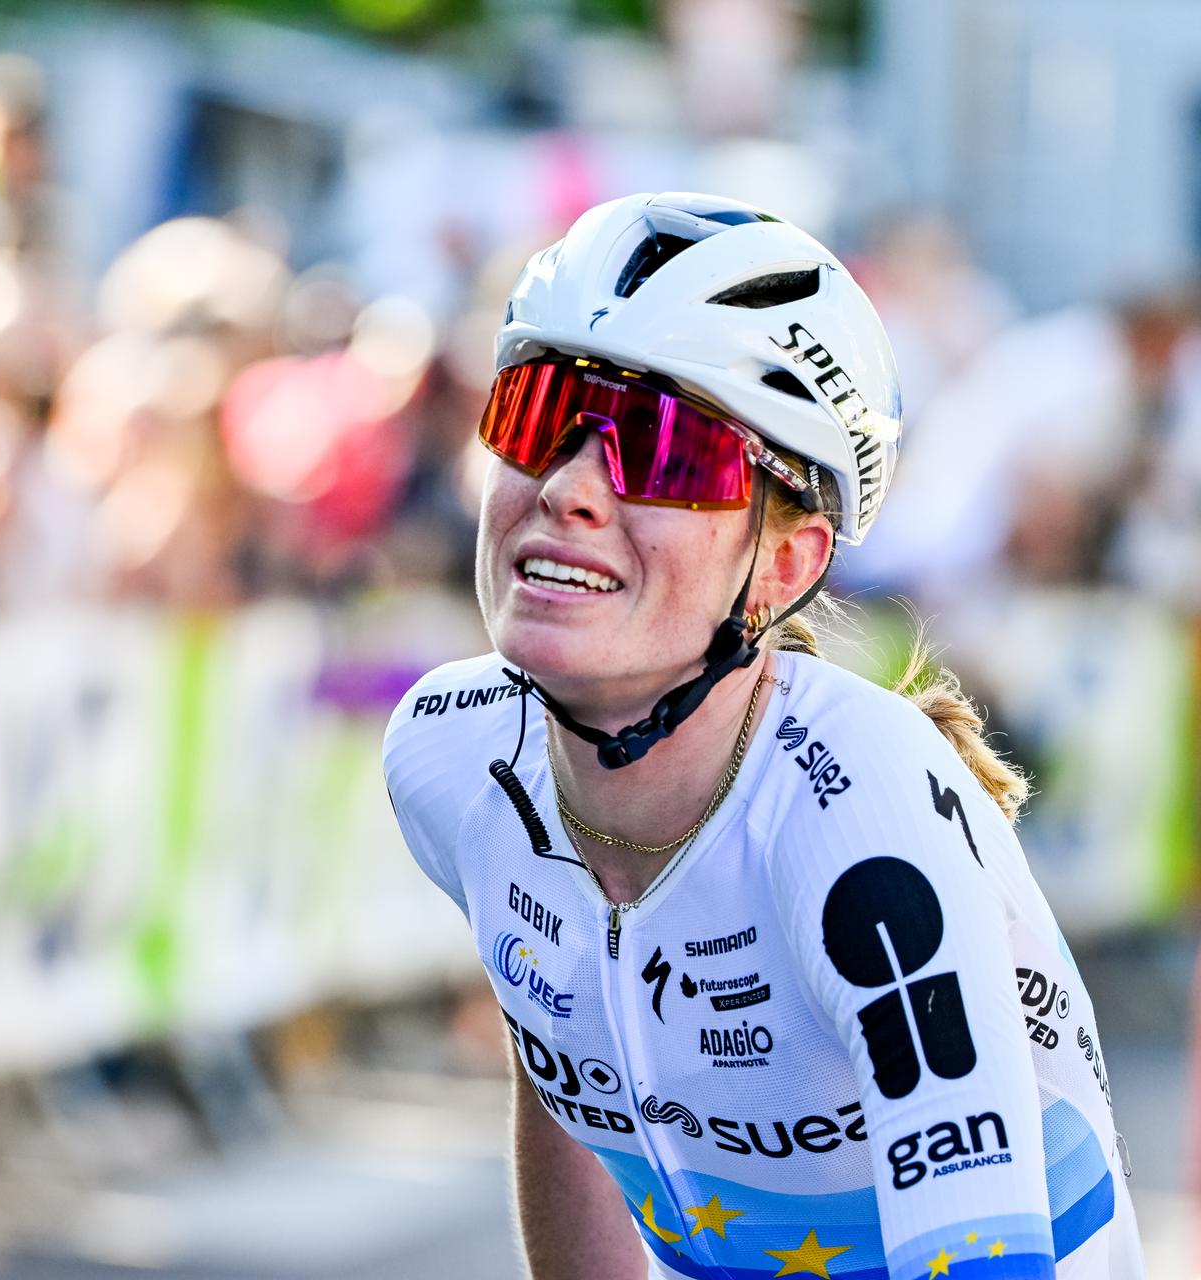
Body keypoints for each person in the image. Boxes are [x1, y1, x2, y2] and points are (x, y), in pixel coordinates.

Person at [383, 193, 1143, 1279]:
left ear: (785, 565)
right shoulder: (451, 755)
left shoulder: (856, 811)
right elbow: (569, 1072)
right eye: (541, 413)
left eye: (668, 451)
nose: (570, 489)